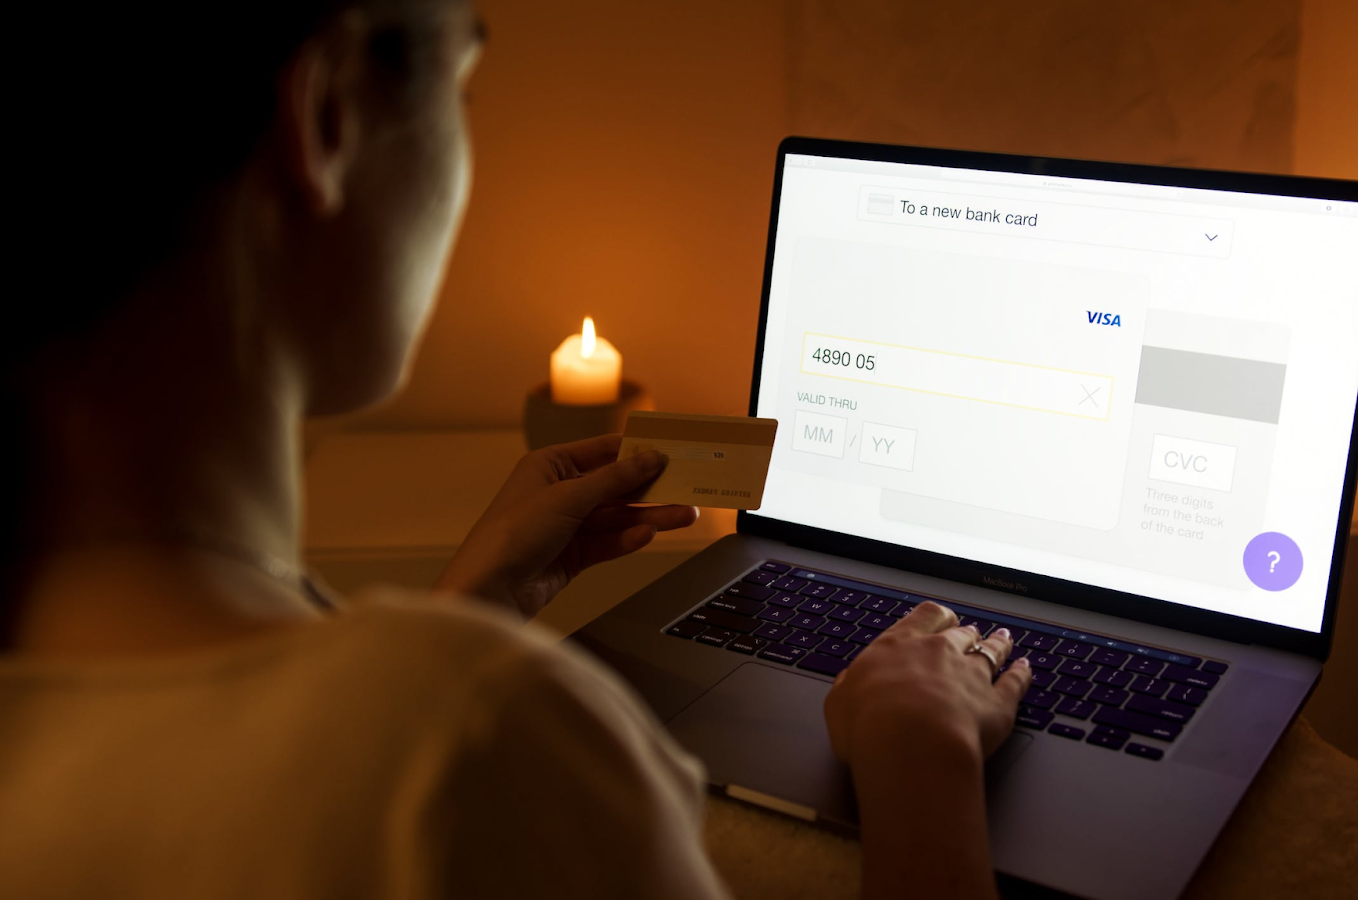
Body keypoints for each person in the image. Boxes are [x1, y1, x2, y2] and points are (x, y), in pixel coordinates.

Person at [1, 1, 1030, 897]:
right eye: (466, 87)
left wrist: (462, 621)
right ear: (324, 119)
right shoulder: (477, 737)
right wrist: (922, 770)